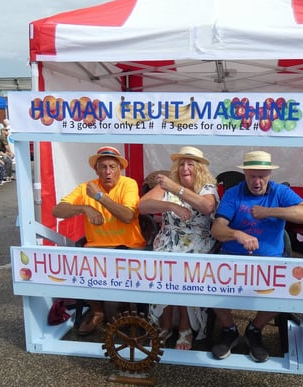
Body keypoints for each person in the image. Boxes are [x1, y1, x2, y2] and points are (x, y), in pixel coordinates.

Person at [210, 151, 303, 362]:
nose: (257, 181)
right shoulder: (233, 194)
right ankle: (229, 329)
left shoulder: (279, 192)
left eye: (262, 176)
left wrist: (270, 212)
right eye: (252, 176)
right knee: (208, 284)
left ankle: (255, 330)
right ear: (245, 174)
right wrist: (237, 234)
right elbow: (217, 229)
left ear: (269, 175)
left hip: (269, 261)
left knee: (286, 290)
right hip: (233, 259)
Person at [52, 146, 146, 335]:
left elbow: (127, 216)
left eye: (112, 166)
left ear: (120, 168)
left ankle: (124, 307)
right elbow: (57, 210)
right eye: (103, 167)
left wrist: (98, 197)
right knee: (82, 264)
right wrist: (84, 208)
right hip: (97, 248)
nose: (108, 171)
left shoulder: (128, 184)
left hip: (128, 246)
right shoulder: (86, 186)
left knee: (124, 265)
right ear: (96, 170)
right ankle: (97, 312)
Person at [138, 146, 219, 350]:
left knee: (183, 273)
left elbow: (206, 207)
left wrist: (176, 190)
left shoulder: (206, 187)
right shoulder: (166, 185)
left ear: (199, 168)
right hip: (167, 240)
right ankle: (165, 325)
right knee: (163, 272)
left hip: (196, 242)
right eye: (181, 163)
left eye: (190, 163)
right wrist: (171, 205)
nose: (185, 167)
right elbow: (143, 206)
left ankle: (185, 328)